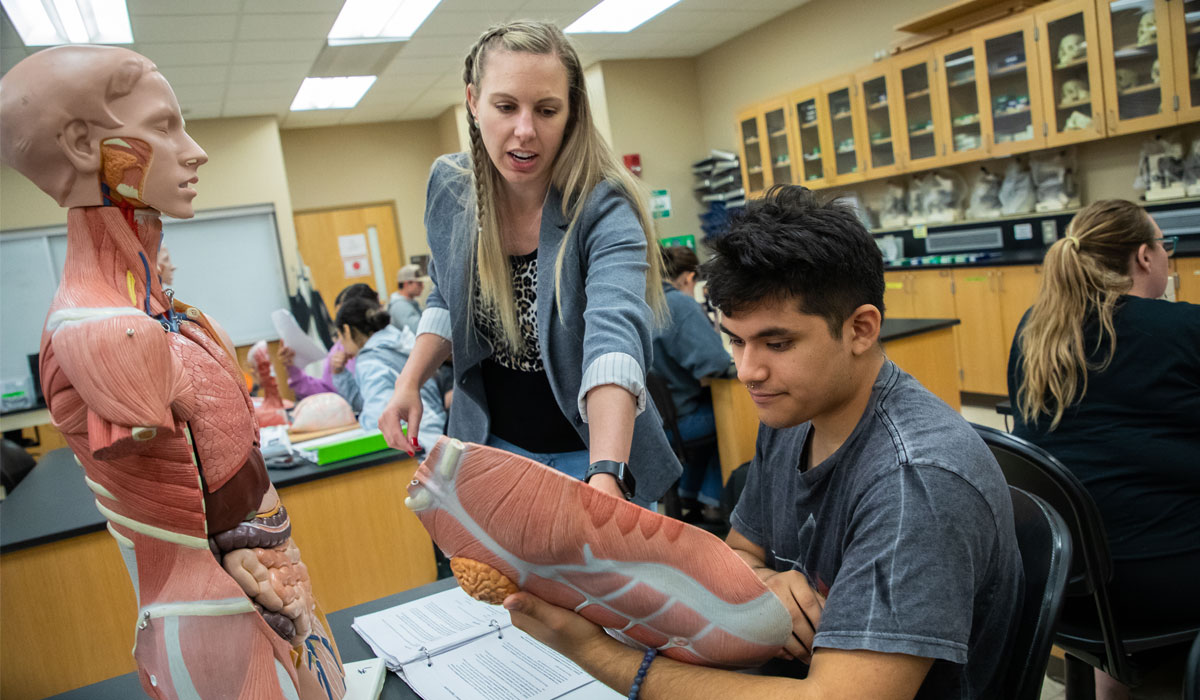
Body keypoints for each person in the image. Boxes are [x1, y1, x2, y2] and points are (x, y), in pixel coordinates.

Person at [501, 186, 1023, 699]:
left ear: (861, 329)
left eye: (778, 343)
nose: (748, 371)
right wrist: (764, 588)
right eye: (735, 340)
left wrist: (593, 652)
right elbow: (742, 551)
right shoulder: (794, 411)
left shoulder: (916, 481)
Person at [378, 20, 681, 505]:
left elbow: (614, 335)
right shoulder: (451, 186)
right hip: (494, 450)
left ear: (571, 112)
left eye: (546, 110)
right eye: (505, 106)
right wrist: (408, 381)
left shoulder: (602, 206)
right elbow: (444, 293)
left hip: (593, 452)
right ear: (474, 102)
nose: (525, 130)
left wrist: (606, 474)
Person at [1008, 199, 1200, 700]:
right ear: (1143, 256)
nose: (1166, 257)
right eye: (1165, 247)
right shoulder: (1182, 330)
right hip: (1166, 585)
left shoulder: (1036, 332)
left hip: (1066, 585)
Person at [651, 245, 733, 522]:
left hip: (653, 424)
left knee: (711, 410)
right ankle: (713, 502)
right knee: (731, 416)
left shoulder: (640, 303)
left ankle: (691, 491)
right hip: (679, 423)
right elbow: (717, 364)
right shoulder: (678, 304)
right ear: (689, 278)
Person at [335, 296, 446, 452]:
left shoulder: (370, 360)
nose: (339, 344)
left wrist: (361, 422)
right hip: (439, 436)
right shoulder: (403, 341)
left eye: (339, 336)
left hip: (415, 449)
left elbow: (377, 419)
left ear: (346, 330)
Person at [278, 282, 378, 409]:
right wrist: (293, 367)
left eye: (345, 322)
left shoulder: (383, 350)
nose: (340, 334)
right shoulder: (339, 349)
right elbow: (326, 392)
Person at [388, 263, 425, 334]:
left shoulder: (409, 302)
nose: (423, 286)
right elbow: (419, 330)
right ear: (406, 284)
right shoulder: (400, 306)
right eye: (419, 283)